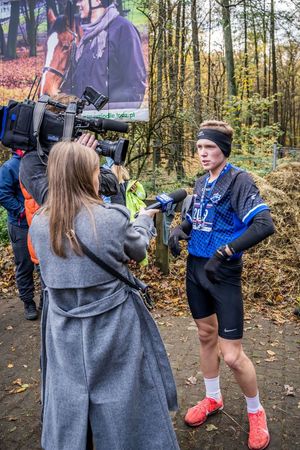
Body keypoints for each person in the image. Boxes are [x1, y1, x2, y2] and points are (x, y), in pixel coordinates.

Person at [29, 140, 179, 450]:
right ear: (87, 176)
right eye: (97, 171)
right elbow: (136, 250)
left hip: (63, 329)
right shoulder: (112, 218)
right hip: (114, 328)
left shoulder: (39, 224)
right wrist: (143, 221)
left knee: (70, 401)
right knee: (124, 401)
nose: (100, 177)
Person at [168, 120, 275, 450]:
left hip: (222, 272)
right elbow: (198, 216)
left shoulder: (238, 180)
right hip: (195, 270)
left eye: (209, 147)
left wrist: (228, 250)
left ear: (223, 150)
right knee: (204, 335)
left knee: (231, 355)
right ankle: (213, 399)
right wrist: (180, 230)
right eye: (199, 147)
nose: (202, 153)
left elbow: (263, 224)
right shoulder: (201, 182)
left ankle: (256, 412)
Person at [63, 0, 146, 108]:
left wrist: (104, 112)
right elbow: (76, 81)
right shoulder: (85, 35)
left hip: (107, 121)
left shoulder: (123, 29)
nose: (78, 4)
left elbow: (135, 87)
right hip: (80, 120)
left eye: (81, 0)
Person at [0, 149, 38, 320]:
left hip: (40, 223)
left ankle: (47, 298)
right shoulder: (10, 167)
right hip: (20, 225)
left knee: (44, 262)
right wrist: (22, 211)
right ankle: (28, 302)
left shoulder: (40, 161)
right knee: (24, 264)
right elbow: (3, 194)